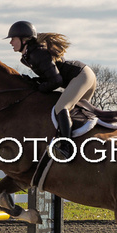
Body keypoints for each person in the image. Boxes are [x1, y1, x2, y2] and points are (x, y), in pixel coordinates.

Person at [5, 20, 97, 157]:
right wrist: (35, 82)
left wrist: (39, 87)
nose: (11, 42)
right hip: (81, 76)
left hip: (81, 76)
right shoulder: (28, 56)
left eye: (13, 39)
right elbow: (49, 76)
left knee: (61, 107)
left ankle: (67, 147)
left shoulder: (37, 53)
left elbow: (56, 80)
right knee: (74, 114)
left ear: (24, 40)